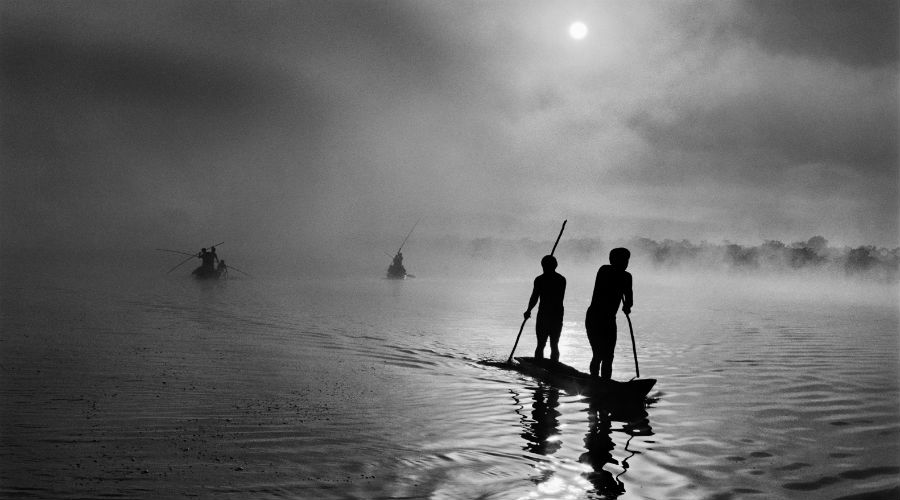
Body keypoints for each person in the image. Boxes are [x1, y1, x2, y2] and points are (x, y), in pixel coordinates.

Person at [585, 247, 633, 379]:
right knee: (598, 353)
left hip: (610, 320)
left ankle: (606, 382)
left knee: (609, 355)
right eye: (622, 259)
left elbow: (629, 298)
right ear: (612, 260)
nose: (625, 263)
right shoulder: (605, 270)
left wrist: (627, 306)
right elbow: (612, 280)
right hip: (595, 317)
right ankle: (594, 379)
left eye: (627, 260)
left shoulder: (627, 277)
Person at [524, 255, 566, 362]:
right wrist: (528, 310)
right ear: (555, 265)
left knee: (543, 344)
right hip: (554, 316)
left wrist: (529, 310)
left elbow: (535, 297)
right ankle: (551, 366)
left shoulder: (541, 280)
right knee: (552, 344)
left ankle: (549, 366)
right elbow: (535, 297)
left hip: (547, 315)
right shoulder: (560, 279)